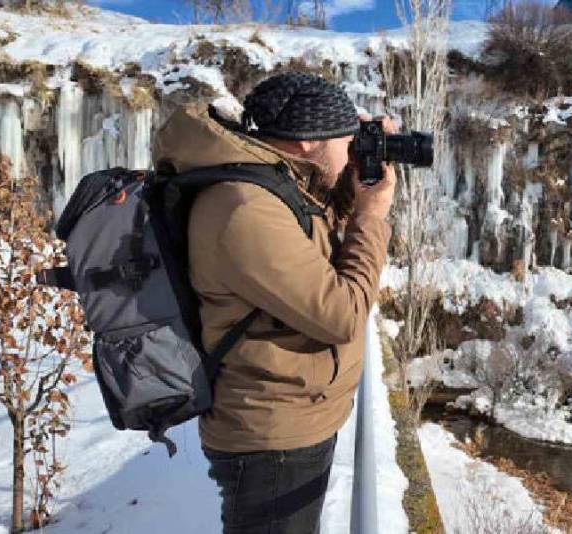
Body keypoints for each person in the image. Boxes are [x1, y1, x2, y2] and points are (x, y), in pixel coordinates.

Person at [152, 72, 396, 534]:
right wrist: (372, 215)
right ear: (307, 142)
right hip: (272, 439)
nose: (352, 152)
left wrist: (356, 180)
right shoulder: (245, 206)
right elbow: (342, 315)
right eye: (346, 142)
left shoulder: (275, 184)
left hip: (295, 418)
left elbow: (318, 233)